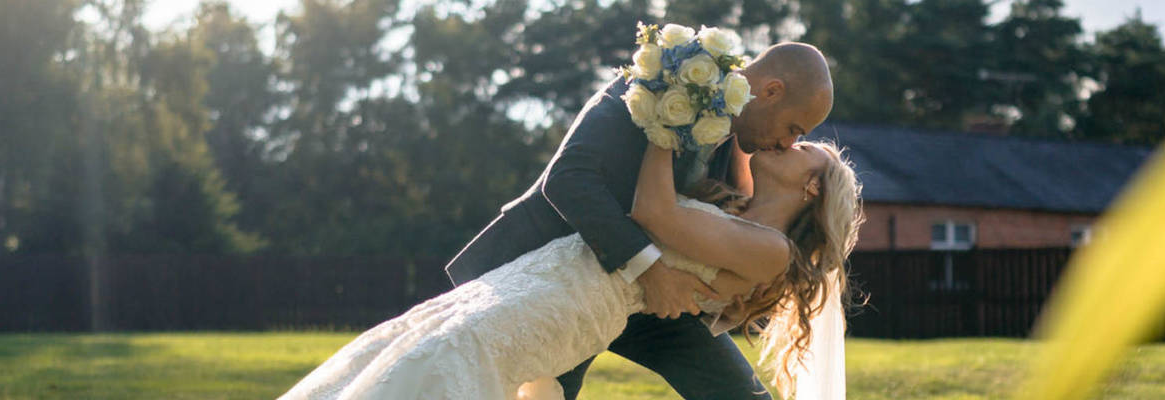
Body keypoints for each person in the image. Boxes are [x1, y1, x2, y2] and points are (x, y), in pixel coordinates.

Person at [279, 136, 861, 399]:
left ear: (813, 185)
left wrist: (663, 115)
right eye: (794, 132)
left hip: (575, 306)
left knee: (459, 360)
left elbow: (652, 212)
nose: (792, 139)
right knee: (434, 347)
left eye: (805, 144)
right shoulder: (726, 202)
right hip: (546, 277)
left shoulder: (770, 251)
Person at [441, 42, 838, 400]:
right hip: (555, 279)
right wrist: (648, 270)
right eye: (793, 129)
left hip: (653, 305)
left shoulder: (735, 149)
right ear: (772, 91)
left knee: (739, 393)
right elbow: (568, 178)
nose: (788, 143)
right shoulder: (657, 84)